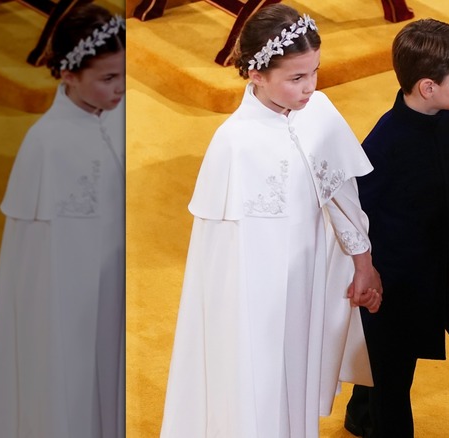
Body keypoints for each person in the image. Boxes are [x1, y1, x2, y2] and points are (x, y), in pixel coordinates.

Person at [158, 4, 383, 438]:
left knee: (293, 381)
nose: (310, 87)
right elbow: (221, 261)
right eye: (296, 78)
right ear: (256, 75)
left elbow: (341, 195)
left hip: (303, 285)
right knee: (258, 386)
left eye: (314, 71)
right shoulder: (234, 144)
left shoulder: (318, 110)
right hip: (254, 303)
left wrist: (363, 261)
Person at [0, 4, 125, 437]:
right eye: (108, 79)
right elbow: (37, 266)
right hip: (69, 301)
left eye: (124, 75)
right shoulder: (46, 145)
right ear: (68, 75)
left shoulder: (118, 117)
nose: (120, 89)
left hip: (113, 287)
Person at [343, 18, 449, 438]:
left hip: (429, 267)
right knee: (394, 379)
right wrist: (366, 272)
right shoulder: (383, 144)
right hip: (391, 277)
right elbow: (356, 215)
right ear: (428, 87)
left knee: (394, 363)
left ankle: (359, 416)